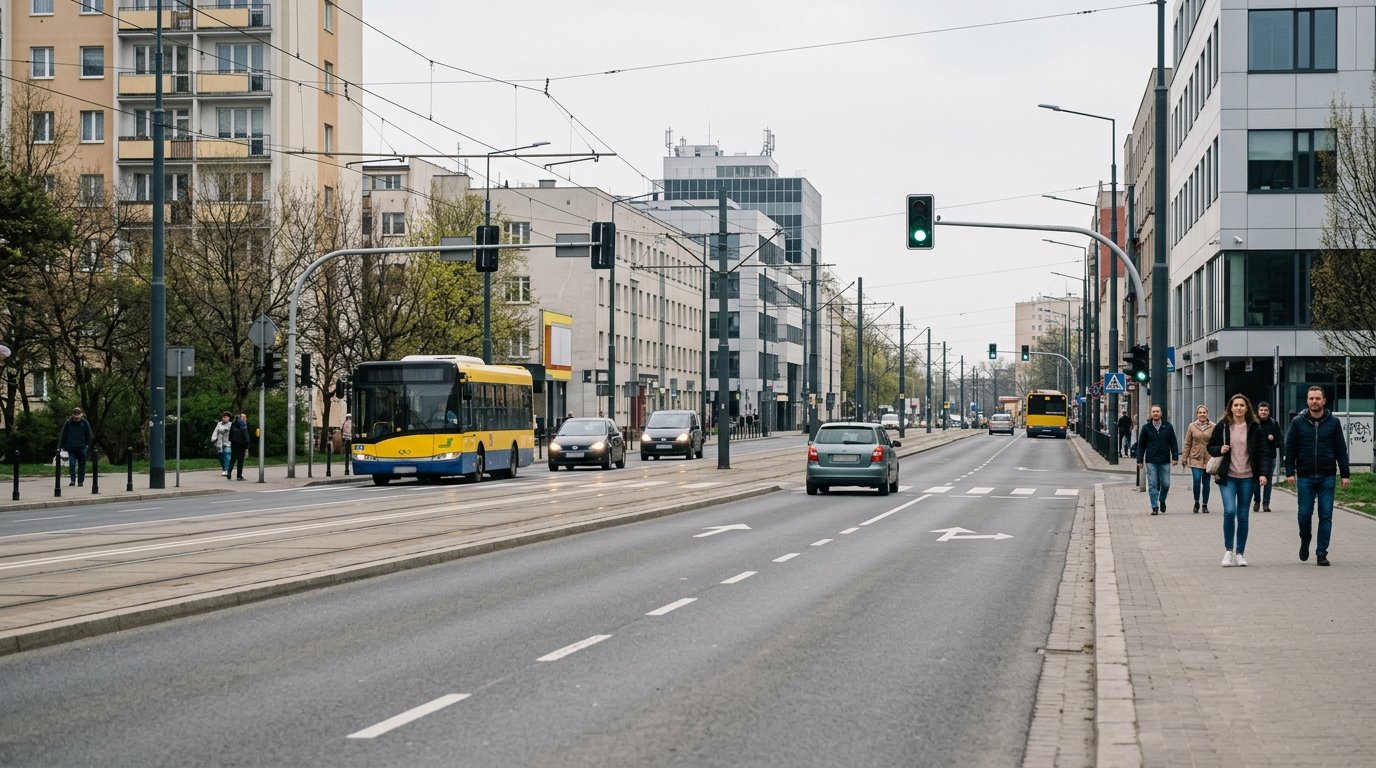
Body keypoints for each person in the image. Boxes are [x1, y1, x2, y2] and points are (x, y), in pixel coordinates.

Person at [1284, 386, 1351, 566]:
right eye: (1311, 398)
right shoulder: (1297, 422)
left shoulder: (1333, 422)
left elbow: (1341, 449)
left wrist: (1345, 473)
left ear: (1324, 400)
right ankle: (1305, 539)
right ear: (1307, 401)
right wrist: (1289, 471)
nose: (1314, 401)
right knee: (1304, 514)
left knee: (1326, 515)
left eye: (1317, 398)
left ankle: (1321, 553)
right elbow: (1289, 449)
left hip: (1327, 475)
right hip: (1305, 476)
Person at [1207, 394, 1270, 567]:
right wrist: (1220, 448)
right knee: (1229, 512)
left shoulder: (1255, 428)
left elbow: (1264, 452)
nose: (1239, 408)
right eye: (1236, 405)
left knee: (1243, 516)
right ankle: (1228, 551)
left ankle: (1240, 553)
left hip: (1248, 477)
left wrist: (1264, 473)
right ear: (1230, 408)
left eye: (1242, 405)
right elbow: (1210, 447)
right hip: (1228, 476)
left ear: (1247, 408)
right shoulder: (1223, 426)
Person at [1136, 403, 1179, 516]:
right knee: (1152, 484)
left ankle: (1162, 499)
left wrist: (1175, 457)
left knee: (1166, 484)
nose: (1155, 413)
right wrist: (1139, 460)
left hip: (1164, 460)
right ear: (1151, 414)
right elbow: (1141, 445)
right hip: (1151, 460)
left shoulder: (1168, 426)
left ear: (1161, 413)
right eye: (1154, 411)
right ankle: (1154, 506)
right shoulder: (1146, 428)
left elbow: (1173, 443)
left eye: (1157, 411)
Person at [1181, 404, 1215, 514]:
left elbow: (1216, 442)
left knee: (1206, 482)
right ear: (1197, 414)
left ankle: (1205, 504)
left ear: (1207, 414)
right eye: (1200, 413)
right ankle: (1196, 502)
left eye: (1204, 412)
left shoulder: (1213, 426)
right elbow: (1187, 443)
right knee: (1196, 480)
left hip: (1208, 458)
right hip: (1195, 457)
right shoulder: (1192, 426)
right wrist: (1184, 458)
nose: (1202, 414)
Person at [1254, 401, 1284, 512]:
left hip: (1270, 456)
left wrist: (1274, 439)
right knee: (1256, 481)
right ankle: (1257, 501)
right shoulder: (1254, 423)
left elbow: (1280, 439)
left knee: (1268, 480)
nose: (1263, 412)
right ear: (1258, 411)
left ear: (1269, 411)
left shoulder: (1273, 423)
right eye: (1261, 410)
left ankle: (1266, 503)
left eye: (1265, 410)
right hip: (1256, 457)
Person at [58, 407, 94, 487]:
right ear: (73, 415)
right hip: (71, 447)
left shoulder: (84, 423)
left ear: (81, 414)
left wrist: (87, 445)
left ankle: (80, 481)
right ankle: (73, 480)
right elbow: (64, 435)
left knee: (82, 465)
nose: (77, 417)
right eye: (75, 415)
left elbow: (89, 434)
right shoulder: (68, 423)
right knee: (72, 464)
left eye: (78, 414)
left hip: (82, 447)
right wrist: (62, 446)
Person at [210, 411, 233, 477]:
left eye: (227, 417)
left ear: (229, 418)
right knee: (220, 456)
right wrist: (213, 439)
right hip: (219, 443)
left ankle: (226, 470)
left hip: (228, 442)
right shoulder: (219, 424)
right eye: (224, 417)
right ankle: (224, 468)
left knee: (227, 454)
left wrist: (221, 430)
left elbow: (225, 429)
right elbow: (215, 431)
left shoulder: (231, 424)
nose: (225, 418)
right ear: (222, 418)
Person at [229, 412, 250, 481]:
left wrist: (232, 441)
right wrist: (247, 445)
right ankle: (239, 476)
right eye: (244, 417)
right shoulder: (243, 425)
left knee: (232, 459)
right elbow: (246, 437)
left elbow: (230, 435)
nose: (245, 418)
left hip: (234, 444)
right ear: (241, 418)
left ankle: (229, 472)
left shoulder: (233, 424)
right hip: (241, 445)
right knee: (240, 461)